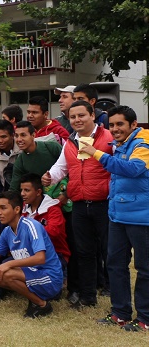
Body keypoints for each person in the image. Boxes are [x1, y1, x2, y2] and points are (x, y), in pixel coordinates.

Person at [82, 105, 149, 331]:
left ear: (133, 124)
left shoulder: (143, 143)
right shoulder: (120, 144)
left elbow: (133, 169)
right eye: (111, 125)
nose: (115, 129)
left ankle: (145, 318)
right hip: (118, 215)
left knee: (145, 268)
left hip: (142, 218)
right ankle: (120, 313)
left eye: (120, 124)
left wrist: (97, 153)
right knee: (115, 264)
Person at [44, 100, 113, 309]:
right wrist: (50, 176)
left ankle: (115, 295)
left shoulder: (109, 138)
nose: (77, 120)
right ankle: (87, 297)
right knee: (84, 252)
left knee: (110, 252)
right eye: (72, 117)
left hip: (105, 204)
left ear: (92, 115)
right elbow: (61, 167)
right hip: (80, 205)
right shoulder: (70, 142)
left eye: (81, 115)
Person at [0, 191, 63, 318]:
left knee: (7, 273)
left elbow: (40, 258)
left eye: (3, 208)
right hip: (31, 274)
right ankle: (33, 295)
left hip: (50, 277)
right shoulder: (6, 232)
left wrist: (10, 264)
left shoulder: (31, 225)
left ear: (17, 209)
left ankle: (42, 305)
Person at [20, 174, 71, 266]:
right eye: (21, 190)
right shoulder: (23, 208)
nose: (22, 194)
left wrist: (27, 233)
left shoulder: (53, 209)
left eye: (26, 190)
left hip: (56, 255)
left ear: (38, 192)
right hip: (30, 254)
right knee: (1, 269)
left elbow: (53, 232)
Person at [9, 121, 62, 192]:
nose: (19, 139)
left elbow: (69, 167)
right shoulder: (20, 162)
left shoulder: (52, 147)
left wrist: (65, 194)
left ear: (33, 135)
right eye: (16, 136)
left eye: (23, 135)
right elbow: (14, 189)